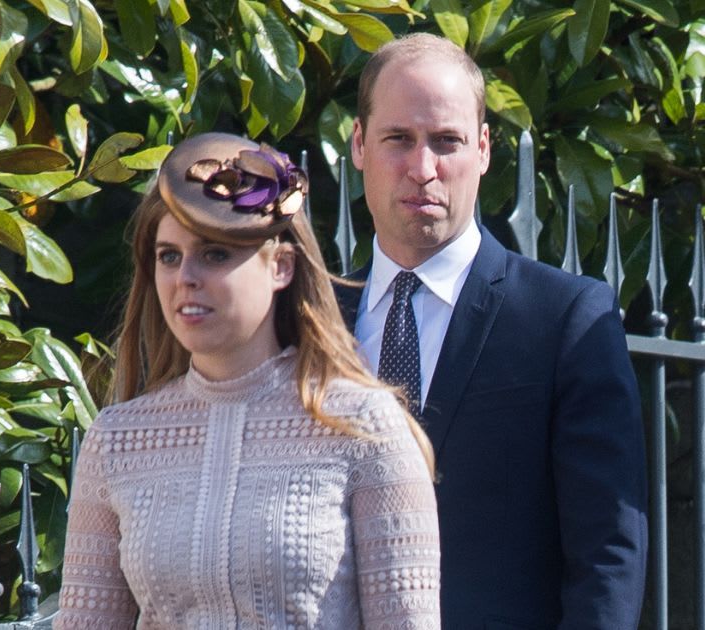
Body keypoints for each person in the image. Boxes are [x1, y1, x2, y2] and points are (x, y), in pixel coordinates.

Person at [56, 132, 441, 628]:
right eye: (168, 256)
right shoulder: (116, 441)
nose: (185, 277)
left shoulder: (365, 427)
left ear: (280, 266)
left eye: (214, 254)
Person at [336, 33, 648, 629]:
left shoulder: (564, 319)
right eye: (398, 139)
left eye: (446, 141)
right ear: (358, 144)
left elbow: (608, 553)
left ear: (483, 149)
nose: (422, 168)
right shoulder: (308, 320)